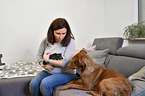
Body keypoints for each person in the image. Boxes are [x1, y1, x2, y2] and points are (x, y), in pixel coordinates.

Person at [29, 18, 77, 96]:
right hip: (49, 71)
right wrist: (42, 63)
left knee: (45, 84)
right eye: (58, 33)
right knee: (33, 84)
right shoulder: (46, 41)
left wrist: (48, 61)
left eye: (63, 33)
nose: (61, 37)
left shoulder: (70, 42)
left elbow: (64, 63)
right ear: (52, 31)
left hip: (66, 73)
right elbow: (39, 55)